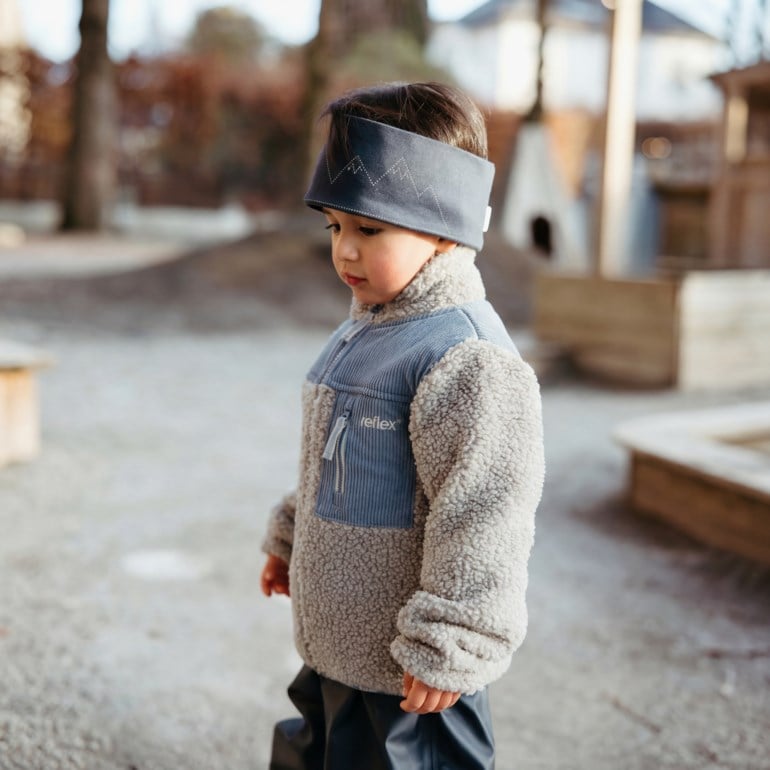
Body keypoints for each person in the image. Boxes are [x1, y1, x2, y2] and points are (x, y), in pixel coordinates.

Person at [260, 81, 545, 770]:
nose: (345, 252)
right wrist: (292, 538)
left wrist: (453, 641)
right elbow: (335, 461)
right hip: (342, 653)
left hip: (410, 685)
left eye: (369, 229)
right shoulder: (368, 331)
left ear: (444, 228)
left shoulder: (465, 358)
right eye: (335, 227)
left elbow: (485, 515)